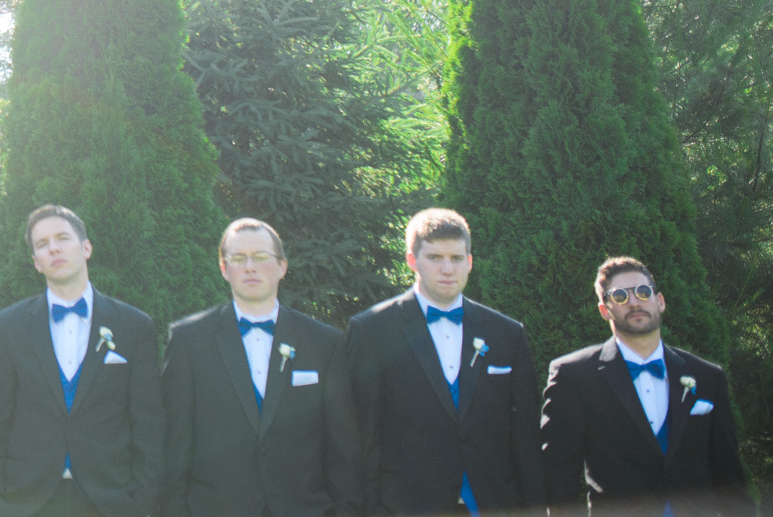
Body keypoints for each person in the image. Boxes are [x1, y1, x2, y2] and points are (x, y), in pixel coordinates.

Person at [342, 208, 545, 516]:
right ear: (412, 260)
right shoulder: (371, 330)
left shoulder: (507, 334)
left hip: (494, 503)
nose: (448, 269)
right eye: (435, 258)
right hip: (407, 506)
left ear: (470, 262)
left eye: (457, 258)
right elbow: (363, 435)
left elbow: (526, 436)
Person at [160, 219, 355, 517]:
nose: (250, 267)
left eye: (261, 257)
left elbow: (342, 448)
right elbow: (175, 445)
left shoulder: (324, 343)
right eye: (238, 259)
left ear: (282, 267)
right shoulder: (189, 341)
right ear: (224, 269)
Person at [0, 205, 163, 517]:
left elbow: (149, 424)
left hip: (111, 500)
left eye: (63, 238)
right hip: (26, 500)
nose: (53, 247)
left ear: (86, 248)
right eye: (42, 244)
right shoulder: (8, 326)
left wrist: (144, 501)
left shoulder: (134, 326)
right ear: (36, 263)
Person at [538, 256, 749, 517]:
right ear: (605, 310)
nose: (635, 302)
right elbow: (559, 477)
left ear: (659, 302)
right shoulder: (574, 376)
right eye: (619, 296)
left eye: (642, 291)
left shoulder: (707, 377)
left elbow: (730, 476)